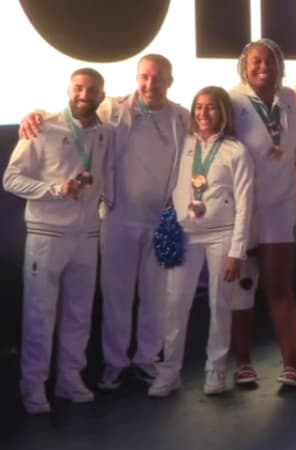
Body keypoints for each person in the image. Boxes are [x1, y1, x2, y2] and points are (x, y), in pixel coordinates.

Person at [18, 55, 191, 391]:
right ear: (136, 78)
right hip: (118, 218)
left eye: (157, 78)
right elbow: (72, 111)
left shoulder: (181, 117)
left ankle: (145, 361)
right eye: (144, 77)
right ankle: (115, 364)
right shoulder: (113, 108)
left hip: (164, 221)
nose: (149, 84)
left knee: (157, 296)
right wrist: (34, 114)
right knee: (116, 296)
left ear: (170, 80)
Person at [4, 68, 112, 414]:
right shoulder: (43, 127)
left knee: (79, 313)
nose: (85, 94)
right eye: (79, 88)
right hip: (47, 234)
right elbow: (11, 178)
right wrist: (53, 191)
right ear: (69, 90)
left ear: (101, 93)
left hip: (87, 234)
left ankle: (69, 379)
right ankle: (33, 386)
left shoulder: (105, 132)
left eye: (92, 89)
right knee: (40, 313)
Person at [148, 86, 254, 397]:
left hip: (221, 234)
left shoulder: (236, 151)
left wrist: (237, 251)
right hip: (185, 233)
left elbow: (245, 204)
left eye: (211, 108)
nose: (203, 114)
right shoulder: (184, 144)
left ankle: (216, 371)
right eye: (199, 108)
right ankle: (169, 372)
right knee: (174, 304)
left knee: (219, 305)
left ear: (223, 112)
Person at [228, 39, 296, 387]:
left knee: (279, 286)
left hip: (280, 205)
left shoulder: (290, 98)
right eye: (256, 61)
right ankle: (243, 362)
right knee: (243, 286)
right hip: (244, 207)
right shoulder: (232, 100)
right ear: (245, 65)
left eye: (269, 61)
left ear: (279, 64)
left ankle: (291, 363)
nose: (263, 67)